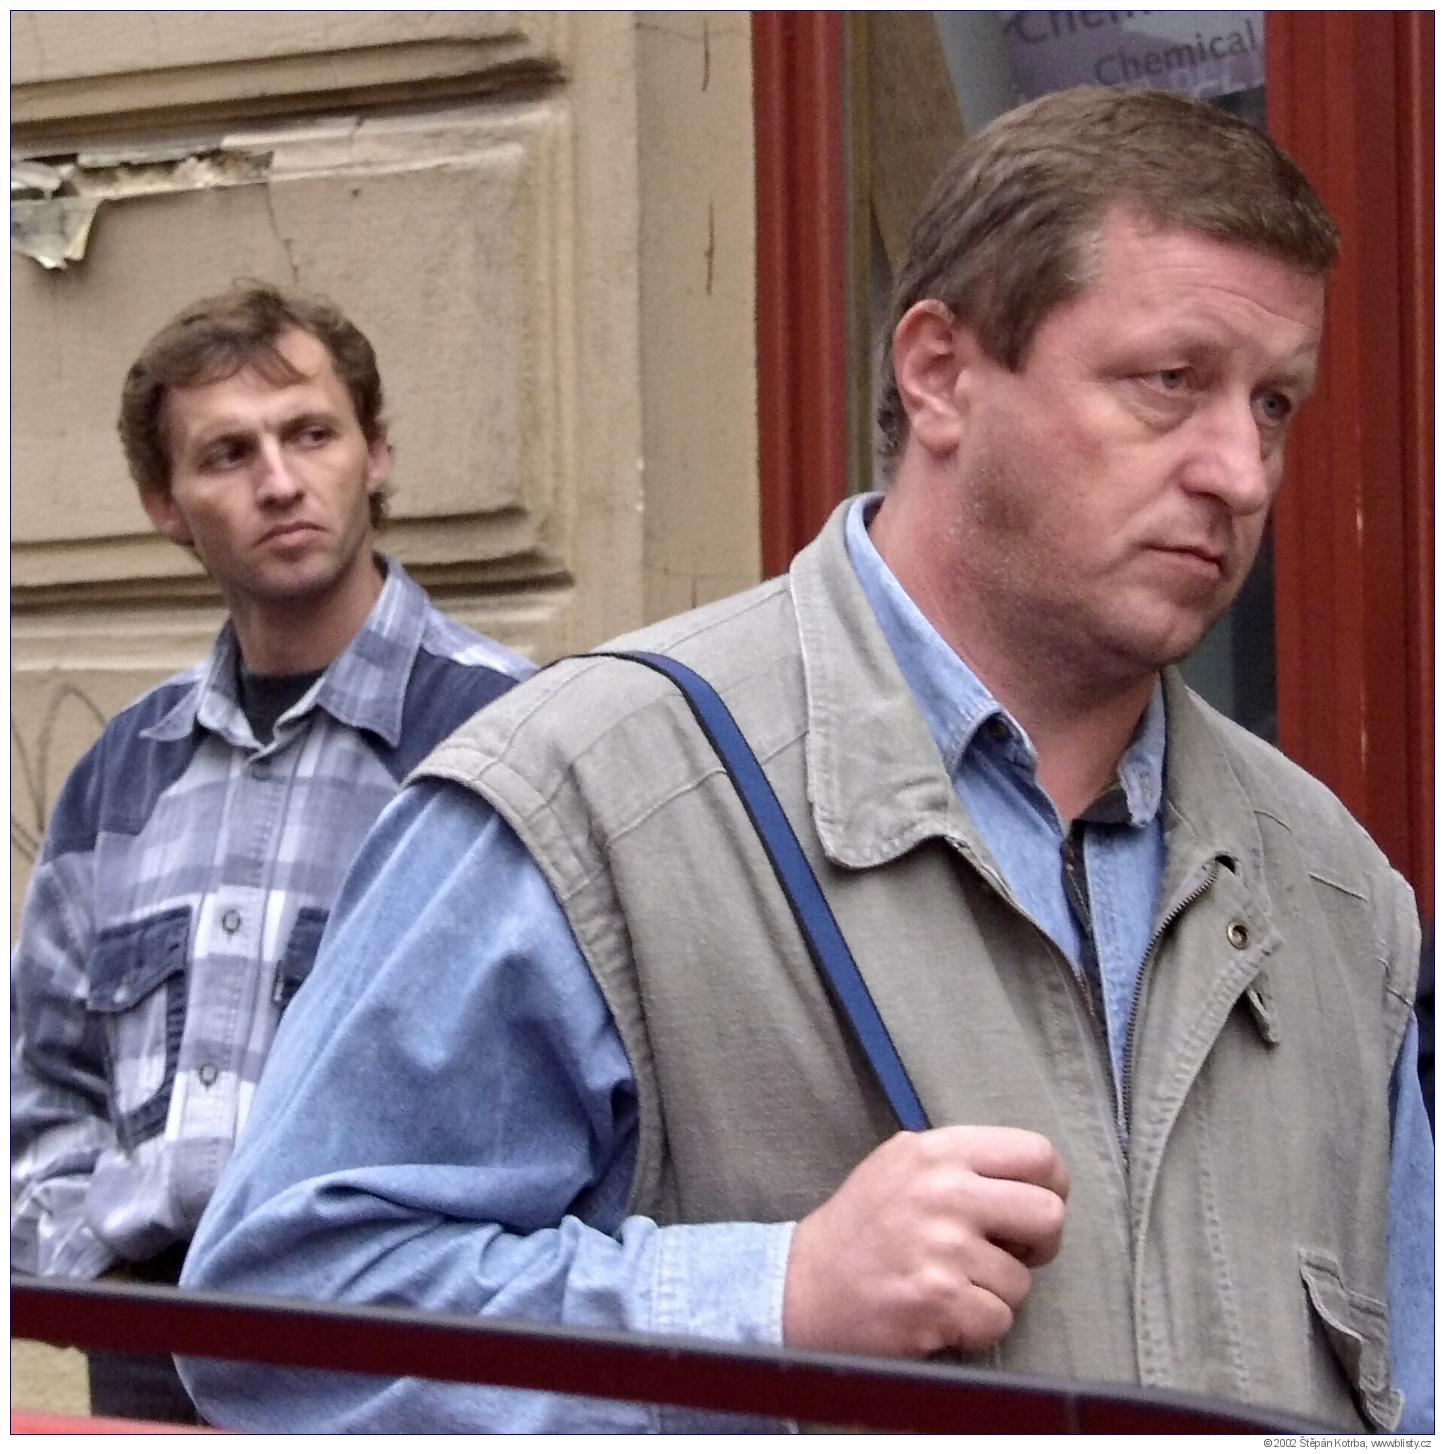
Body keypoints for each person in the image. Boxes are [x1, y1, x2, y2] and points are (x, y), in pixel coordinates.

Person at [179, 89, 1432, 1434]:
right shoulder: (593, 794)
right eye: (1168, 382)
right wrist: (766, 1299)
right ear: (939, 373)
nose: (1239, 471)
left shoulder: (1334, 893)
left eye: (1273, 403)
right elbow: (279, 1323)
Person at [9, 283, 532, 1423]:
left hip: (404, 1362)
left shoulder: (516, 736)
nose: (280, 481)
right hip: (145, 1366)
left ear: (376, 455)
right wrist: (95, 1275)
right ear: (165, 503)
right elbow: (42, 1082)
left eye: (312, 434)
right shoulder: (123, 773)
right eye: (228, 454)